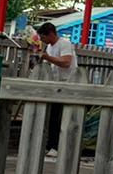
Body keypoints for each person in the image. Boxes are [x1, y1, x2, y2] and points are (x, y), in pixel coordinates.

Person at [32, 22, 78, 156]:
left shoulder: (64, 43)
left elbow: (66, 62)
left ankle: (56, 146)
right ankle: (51, 144)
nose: (42, 40)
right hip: (55, 84)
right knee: (52, 114)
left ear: (51, 34)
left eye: (43, 37)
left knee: (59, 116)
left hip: (66, 83)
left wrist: (48, 58)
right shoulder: (50, 48)